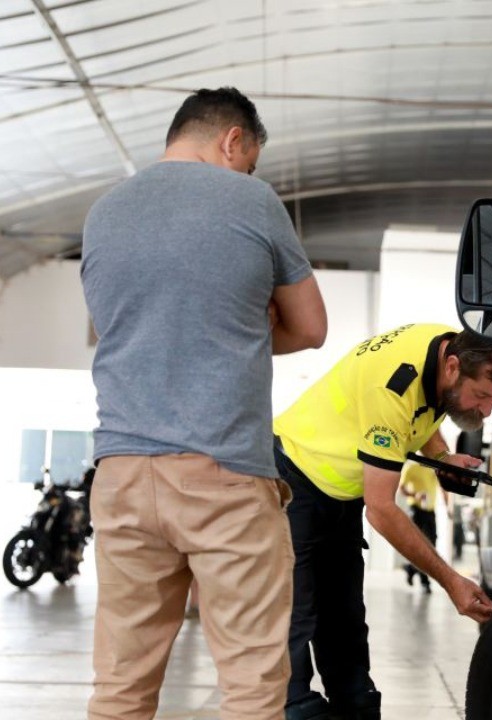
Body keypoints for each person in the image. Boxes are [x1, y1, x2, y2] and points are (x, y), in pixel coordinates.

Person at [81, 86, 327, 720]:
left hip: (123, 474)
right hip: (225, 475)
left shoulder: (104, 211)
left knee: (120, 684)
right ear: (232, 141)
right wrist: (244, 325)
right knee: (249, 683)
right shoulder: (252, 199)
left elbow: (110, 330)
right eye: (248, 161)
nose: (247, 173)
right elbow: (310, 328)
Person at [273, 323, 492, 720]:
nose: (485, 410)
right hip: (294, 478)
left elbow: (423, 410)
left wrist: (442, 457)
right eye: (482, 396)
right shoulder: (392, 385)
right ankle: (294, 708)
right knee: (296, 620)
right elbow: (382, 510)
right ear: (454, 367)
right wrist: (451, 580)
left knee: (345, 626)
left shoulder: (448, 349)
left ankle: (355, 708)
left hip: (340, 492)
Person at [398, 462, 446, 592]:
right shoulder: (412, 467)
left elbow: (441, 488)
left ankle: (411, 568)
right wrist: (415, 495)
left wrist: (447, 506)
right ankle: (425, 582)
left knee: (431, 546)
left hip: (430, 511)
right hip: (416, 509)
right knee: (418, 545)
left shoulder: (434, 469)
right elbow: (401, 488)